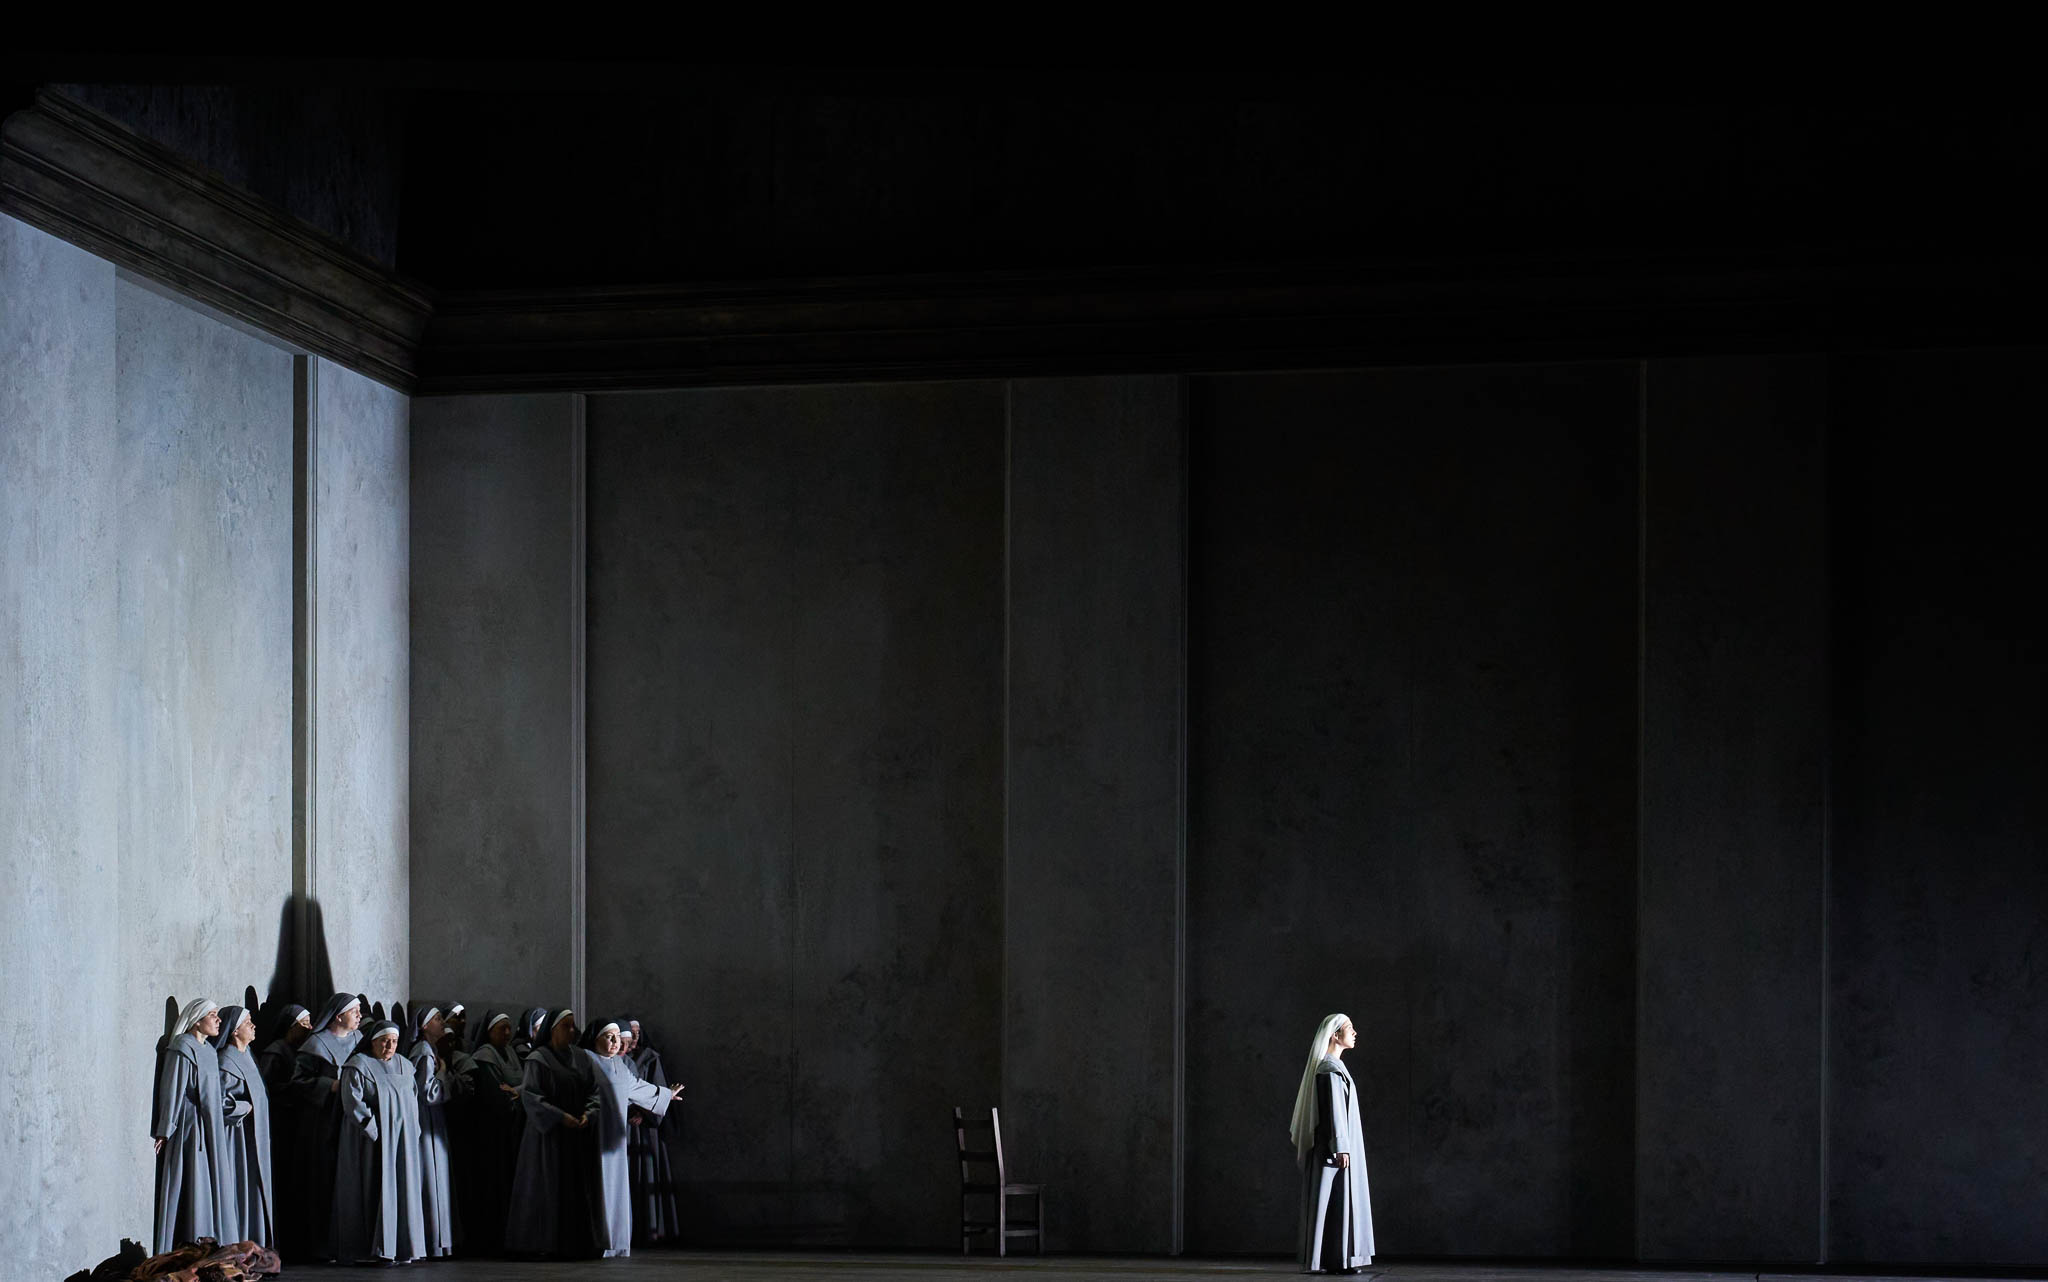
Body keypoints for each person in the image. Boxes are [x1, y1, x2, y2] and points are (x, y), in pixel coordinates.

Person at [505, 1010, 602, 1257]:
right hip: (547, 1137)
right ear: (552, 1029)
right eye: (566, 1026)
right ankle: (544, 1243)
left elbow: (594, 1091)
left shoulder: (581, 1057)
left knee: (574, 1187)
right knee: (548, 1185)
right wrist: (561, 1117)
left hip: (575, 1133)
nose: (572, 1031)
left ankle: (575, 1242)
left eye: (573, 1027)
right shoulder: (539, 1059)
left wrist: (587, 1115)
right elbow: (531, 1096)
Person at [584, 1018, 685, 1257]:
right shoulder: (584, 1060)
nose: (614, 1042)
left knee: (616, 1189)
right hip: (591, 1136)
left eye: (616, 1037)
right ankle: (592, 1240)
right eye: (608, 1036)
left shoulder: (620, 1065)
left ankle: (615, 1242)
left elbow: (638, 1087)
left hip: (614, 1140)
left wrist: (666, 1095)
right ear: (595, 1038)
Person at [332, 1020, 426, 1264]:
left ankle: (401, 1246)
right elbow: (352, 1102)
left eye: (394, 1041)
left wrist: (412, 1131)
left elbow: (414, 1100)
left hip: (401, 1143)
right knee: (371, 1188)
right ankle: (369, 1249)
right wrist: (374, 1131)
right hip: (369, 1144)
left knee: (401, 1189)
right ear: (372, 1041)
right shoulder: (358, 1065)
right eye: (384, 1041)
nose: (390, 1046)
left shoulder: (405, 1065)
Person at [1290, 1013, 1374, 1274]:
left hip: (1335, 1147)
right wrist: (1340, 1146)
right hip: (1333, 1149)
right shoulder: (1329, 1069)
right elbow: (1335, 1110)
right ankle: (1335, 1260)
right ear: (1335, 1035)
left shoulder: (1332, 1067)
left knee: (1336, 1201)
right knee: (1334, 1200)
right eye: (1350, 1028)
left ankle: (1335, 1259)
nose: (1355, 1032)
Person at [152, 998, 233, 1253]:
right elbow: (173, 1089)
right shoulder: (182, 1048)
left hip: (210, 1127)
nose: (218, 1020)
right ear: (197, 1020)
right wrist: (166, 1129)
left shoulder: (209, 1050)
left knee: (207, 1182)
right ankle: (188, 1242)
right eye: (212, 1015)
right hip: (191, 1126)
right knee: (192, 1180)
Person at [285, 992, 361, 1259]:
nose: (359, 1017)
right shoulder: (315, 1044)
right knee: (323, 1179)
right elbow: (298, 1081)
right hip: (323, 1121)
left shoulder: (359, 1041)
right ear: (338, 1016)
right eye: (355, 1012)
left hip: (352, 1119)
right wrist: (329, 1086)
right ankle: (322, 1244)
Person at [460, 1010, 525, 1254]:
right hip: (492, 1133)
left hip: (511, 1129)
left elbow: (524, 1084)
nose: (507, 1033)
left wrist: (518, 1091)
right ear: (489, 1031)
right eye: (502, 1028)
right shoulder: (484, 1056)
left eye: (509, 1028)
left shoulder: (509, 1053)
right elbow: (496, 1095)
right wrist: (519, 1092)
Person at [213, 1005, 275, 1249]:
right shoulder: (225, 1061)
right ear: (235, 1031)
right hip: (237, 1138)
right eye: (248, 1022)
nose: (253, 1025)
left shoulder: (249, 1055)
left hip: (256, 1137)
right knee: (242, 1186)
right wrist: (243, 1108)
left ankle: (255, 1242)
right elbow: (217, 1101)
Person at [622, 1017, 683, 1243]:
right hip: (621, 1124)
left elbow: (654, 1087)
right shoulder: (615, 1062)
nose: (635, 1037)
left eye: (638, 1032)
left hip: (645, 1127)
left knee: (646, 1172)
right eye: (631, 1032)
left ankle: (648, 1229)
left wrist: (643, 1113)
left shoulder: (649, 1058)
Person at [405, 1004, 458, 1258]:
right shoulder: (424, 1052)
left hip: (432, 1119)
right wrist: (445, 1075)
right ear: (425, 1026)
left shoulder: (429, 1050)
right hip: (426, 1119)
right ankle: (431, 1239)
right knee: (430, 1175)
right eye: (437, 1019)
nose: (441, 1022)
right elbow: (428, 1092)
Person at [254, 1005, 311, 1096]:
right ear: (291, 1026)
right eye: (305, 1023)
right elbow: (266, 1085)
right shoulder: (275, 1052)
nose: (310, 1028)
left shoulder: (300, 1048)